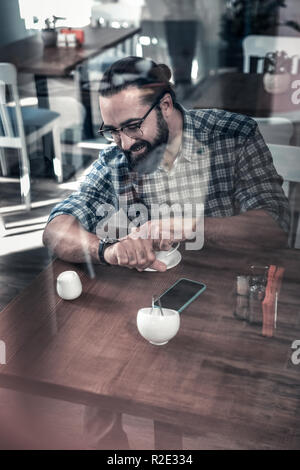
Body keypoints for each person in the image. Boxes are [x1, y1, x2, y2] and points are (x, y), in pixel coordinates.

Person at [43, 56, 290, 448]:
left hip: (229, 302)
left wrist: (191, 225)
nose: (124, 143)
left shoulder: (233, 134)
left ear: (167, 105)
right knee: (93, 377)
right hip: (151, 297)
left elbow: (276, 225)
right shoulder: (116, 160)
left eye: (131, 126)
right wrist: (107, 250)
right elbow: (56, 230)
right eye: (112, 131)